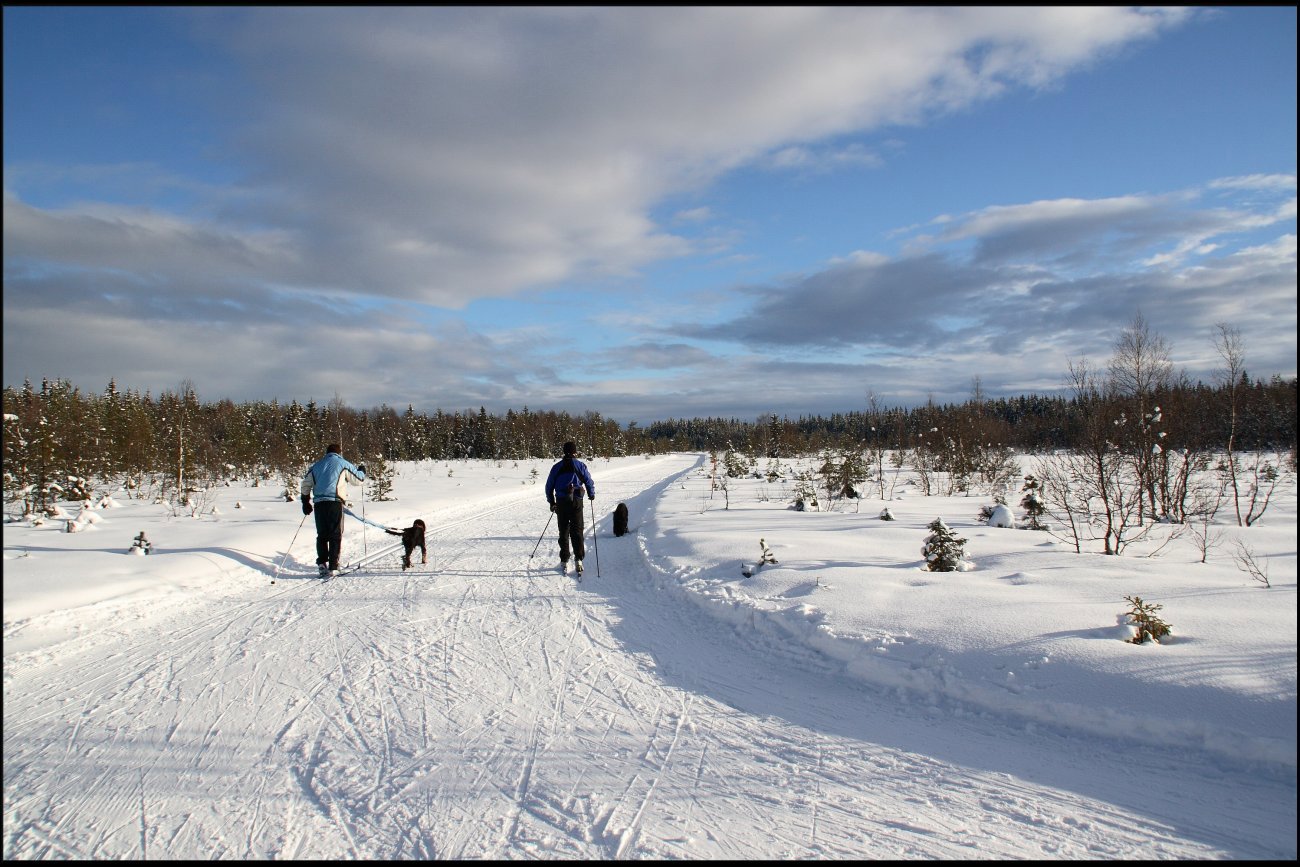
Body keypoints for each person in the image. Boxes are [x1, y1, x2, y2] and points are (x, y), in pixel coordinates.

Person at [300, 444, 367, 577]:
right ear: (339, 453)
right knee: (335, 534)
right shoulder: (342, 463)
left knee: (322, 534)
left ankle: (322, 564)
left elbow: (305, 484)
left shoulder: (317, 465)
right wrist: (362, 470)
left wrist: (305, 502)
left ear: (327, 453)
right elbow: (358, 480)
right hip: (334, 503)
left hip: (319, 504)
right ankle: (333, 566)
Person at [545, 441, 595, 574]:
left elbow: (549, 486)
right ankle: (579, 559)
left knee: (563, 531)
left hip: (561, 502)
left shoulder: (556, 467)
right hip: (577, 501)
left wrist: (552, 502)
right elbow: (588, 480)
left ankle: (564, 559)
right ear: (575, 452)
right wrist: (591, 494)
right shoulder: (580, 465)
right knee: (577, 530)